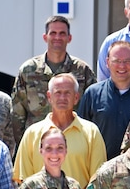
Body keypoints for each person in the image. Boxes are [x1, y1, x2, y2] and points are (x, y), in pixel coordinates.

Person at [11, 15, 97, 144]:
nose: (57, 37)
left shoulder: (82, 71)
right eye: (53, 33)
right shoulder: (28, 70)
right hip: (37, 143)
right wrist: (25, 143)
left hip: (74, 143)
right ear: (45, 37)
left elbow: (92, 111)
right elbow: (17, 114)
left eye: (62, 33)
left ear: (69, 38)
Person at [13, 73, 106, 185]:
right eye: (58, 93)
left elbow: (98, 181)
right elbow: (23, 181)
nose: (62, 97)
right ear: (49, 97)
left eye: (67, 93)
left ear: (76, 98)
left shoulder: (91, 132)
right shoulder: (32, 134)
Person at [79, 40, 130, 162]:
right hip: (100, 168)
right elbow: (82, 134)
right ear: (107, 63)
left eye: (127, 61)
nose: (122, 66)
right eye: (116, 61)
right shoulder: (92, 94)